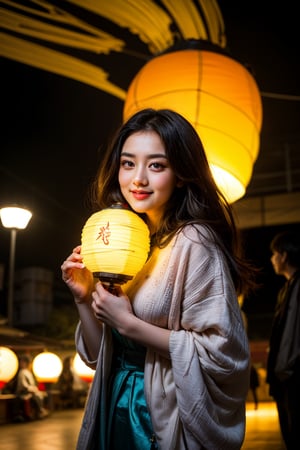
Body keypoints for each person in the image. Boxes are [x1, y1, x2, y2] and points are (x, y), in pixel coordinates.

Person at [61, 108, 257, 449]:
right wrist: (82, 298)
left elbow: (225, 354)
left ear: (180, 174)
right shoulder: (126, 240)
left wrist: (129, 324)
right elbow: (98, 355)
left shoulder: (194, 241)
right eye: (127, 163)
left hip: (158, 410)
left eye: (156, 165)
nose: (138, 179)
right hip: (114, 398)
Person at [266, 230, 300, 449]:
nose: (272, 259)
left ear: (284, 256)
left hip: (294, 375)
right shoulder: (287, 288)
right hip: (285, 376)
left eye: (274, 254)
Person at [15, 354, 49, 420]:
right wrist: (32, 389)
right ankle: (40, 410)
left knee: (42, 394)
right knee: (36, 396)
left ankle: (40, 410)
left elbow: (32, 384)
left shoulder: (28, 372)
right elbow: (23, 385)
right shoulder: (22, 372)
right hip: (23, 392)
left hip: (29, 391)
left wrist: (34, 389)